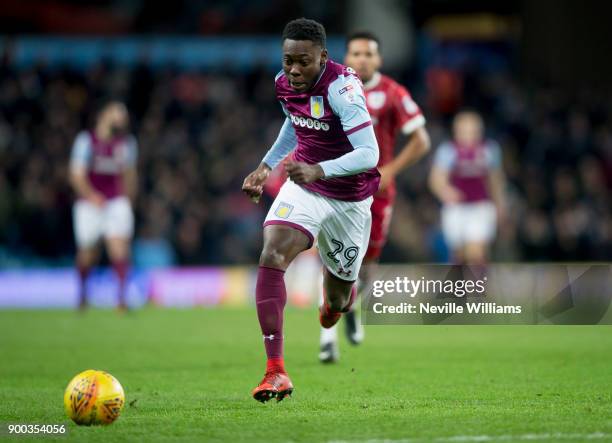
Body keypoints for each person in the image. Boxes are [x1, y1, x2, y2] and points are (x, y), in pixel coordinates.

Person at [242, 18, 380, 402]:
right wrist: (266, 166)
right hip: (305, 186)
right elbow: (294, 121)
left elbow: (371, 154)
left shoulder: (343, 89)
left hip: (350, 200)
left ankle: (335, 307)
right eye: (288, 60)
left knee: (336, 302)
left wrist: (321, 168)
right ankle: (275, 371)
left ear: (323, 56)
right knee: (272, 251)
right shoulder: (283, 83)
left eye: (303, 61)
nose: (294, 70)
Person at [318, 31, 431, 363]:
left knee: (367, 263)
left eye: (369, 54)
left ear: (379, 60)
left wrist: (391, 170)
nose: (362, 59)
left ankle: (351, 305)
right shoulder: (332, 88)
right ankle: (327, 338)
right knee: (331, 258)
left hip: (377, 190)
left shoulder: (392, 93)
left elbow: (421, 140)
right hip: (337, 187)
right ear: (346, 57)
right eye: (356, 53)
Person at [69, 100, 138, 310]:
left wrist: (128, 200)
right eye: (118, 113)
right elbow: (76, 174)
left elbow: (129, 174)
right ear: (104, 114)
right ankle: (82, 294)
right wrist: (91, 196)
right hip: (89, 203)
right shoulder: (85, 140)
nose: (121, 118)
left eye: (123, 115)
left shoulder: (126, 143)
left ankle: (121, 299)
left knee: (119, 248)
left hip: (116, 201)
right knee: (87, 252)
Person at [429, 111, 506, 265]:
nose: (468, 135)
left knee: (476, 253)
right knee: (458, 255)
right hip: (456, 208)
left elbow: (495, 179)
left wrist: (500, 205)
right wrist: (445, 191)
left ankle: (477, 287)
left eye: (472, 131)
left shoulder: (489, 150)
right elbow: (436, 179)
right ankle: (460, 287)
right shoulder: (448, 151)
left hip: (480, 206)